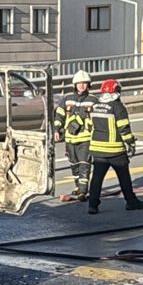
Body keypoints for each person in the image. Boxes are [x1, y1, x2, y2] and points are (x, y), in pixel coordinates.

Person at [86, 78, 143, 214]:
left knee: (96, 179)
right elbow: (123, 128)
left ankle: (92, 205)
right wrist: (130, 143)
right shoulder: (117, 107)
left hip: (97, 149)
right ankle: (131, 202)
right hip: (115, 150)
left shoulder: (95, 105)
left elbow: (89, 125)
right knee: (124, 177)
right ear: (117, 91)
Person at [55, 70, 95, 201]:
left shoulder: (93, 100)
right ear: (75, 85)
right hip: (70, 139)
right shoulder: (67, 100)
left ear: (88, 84)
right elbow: (59, 115)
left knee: (84, 164)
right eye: (79, 83)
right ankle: (78, 187)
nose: (82, 86)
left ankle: (83, 191)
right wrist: (56, 129)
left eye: (84, 83)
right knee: (74, 165)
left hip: (85, 139)